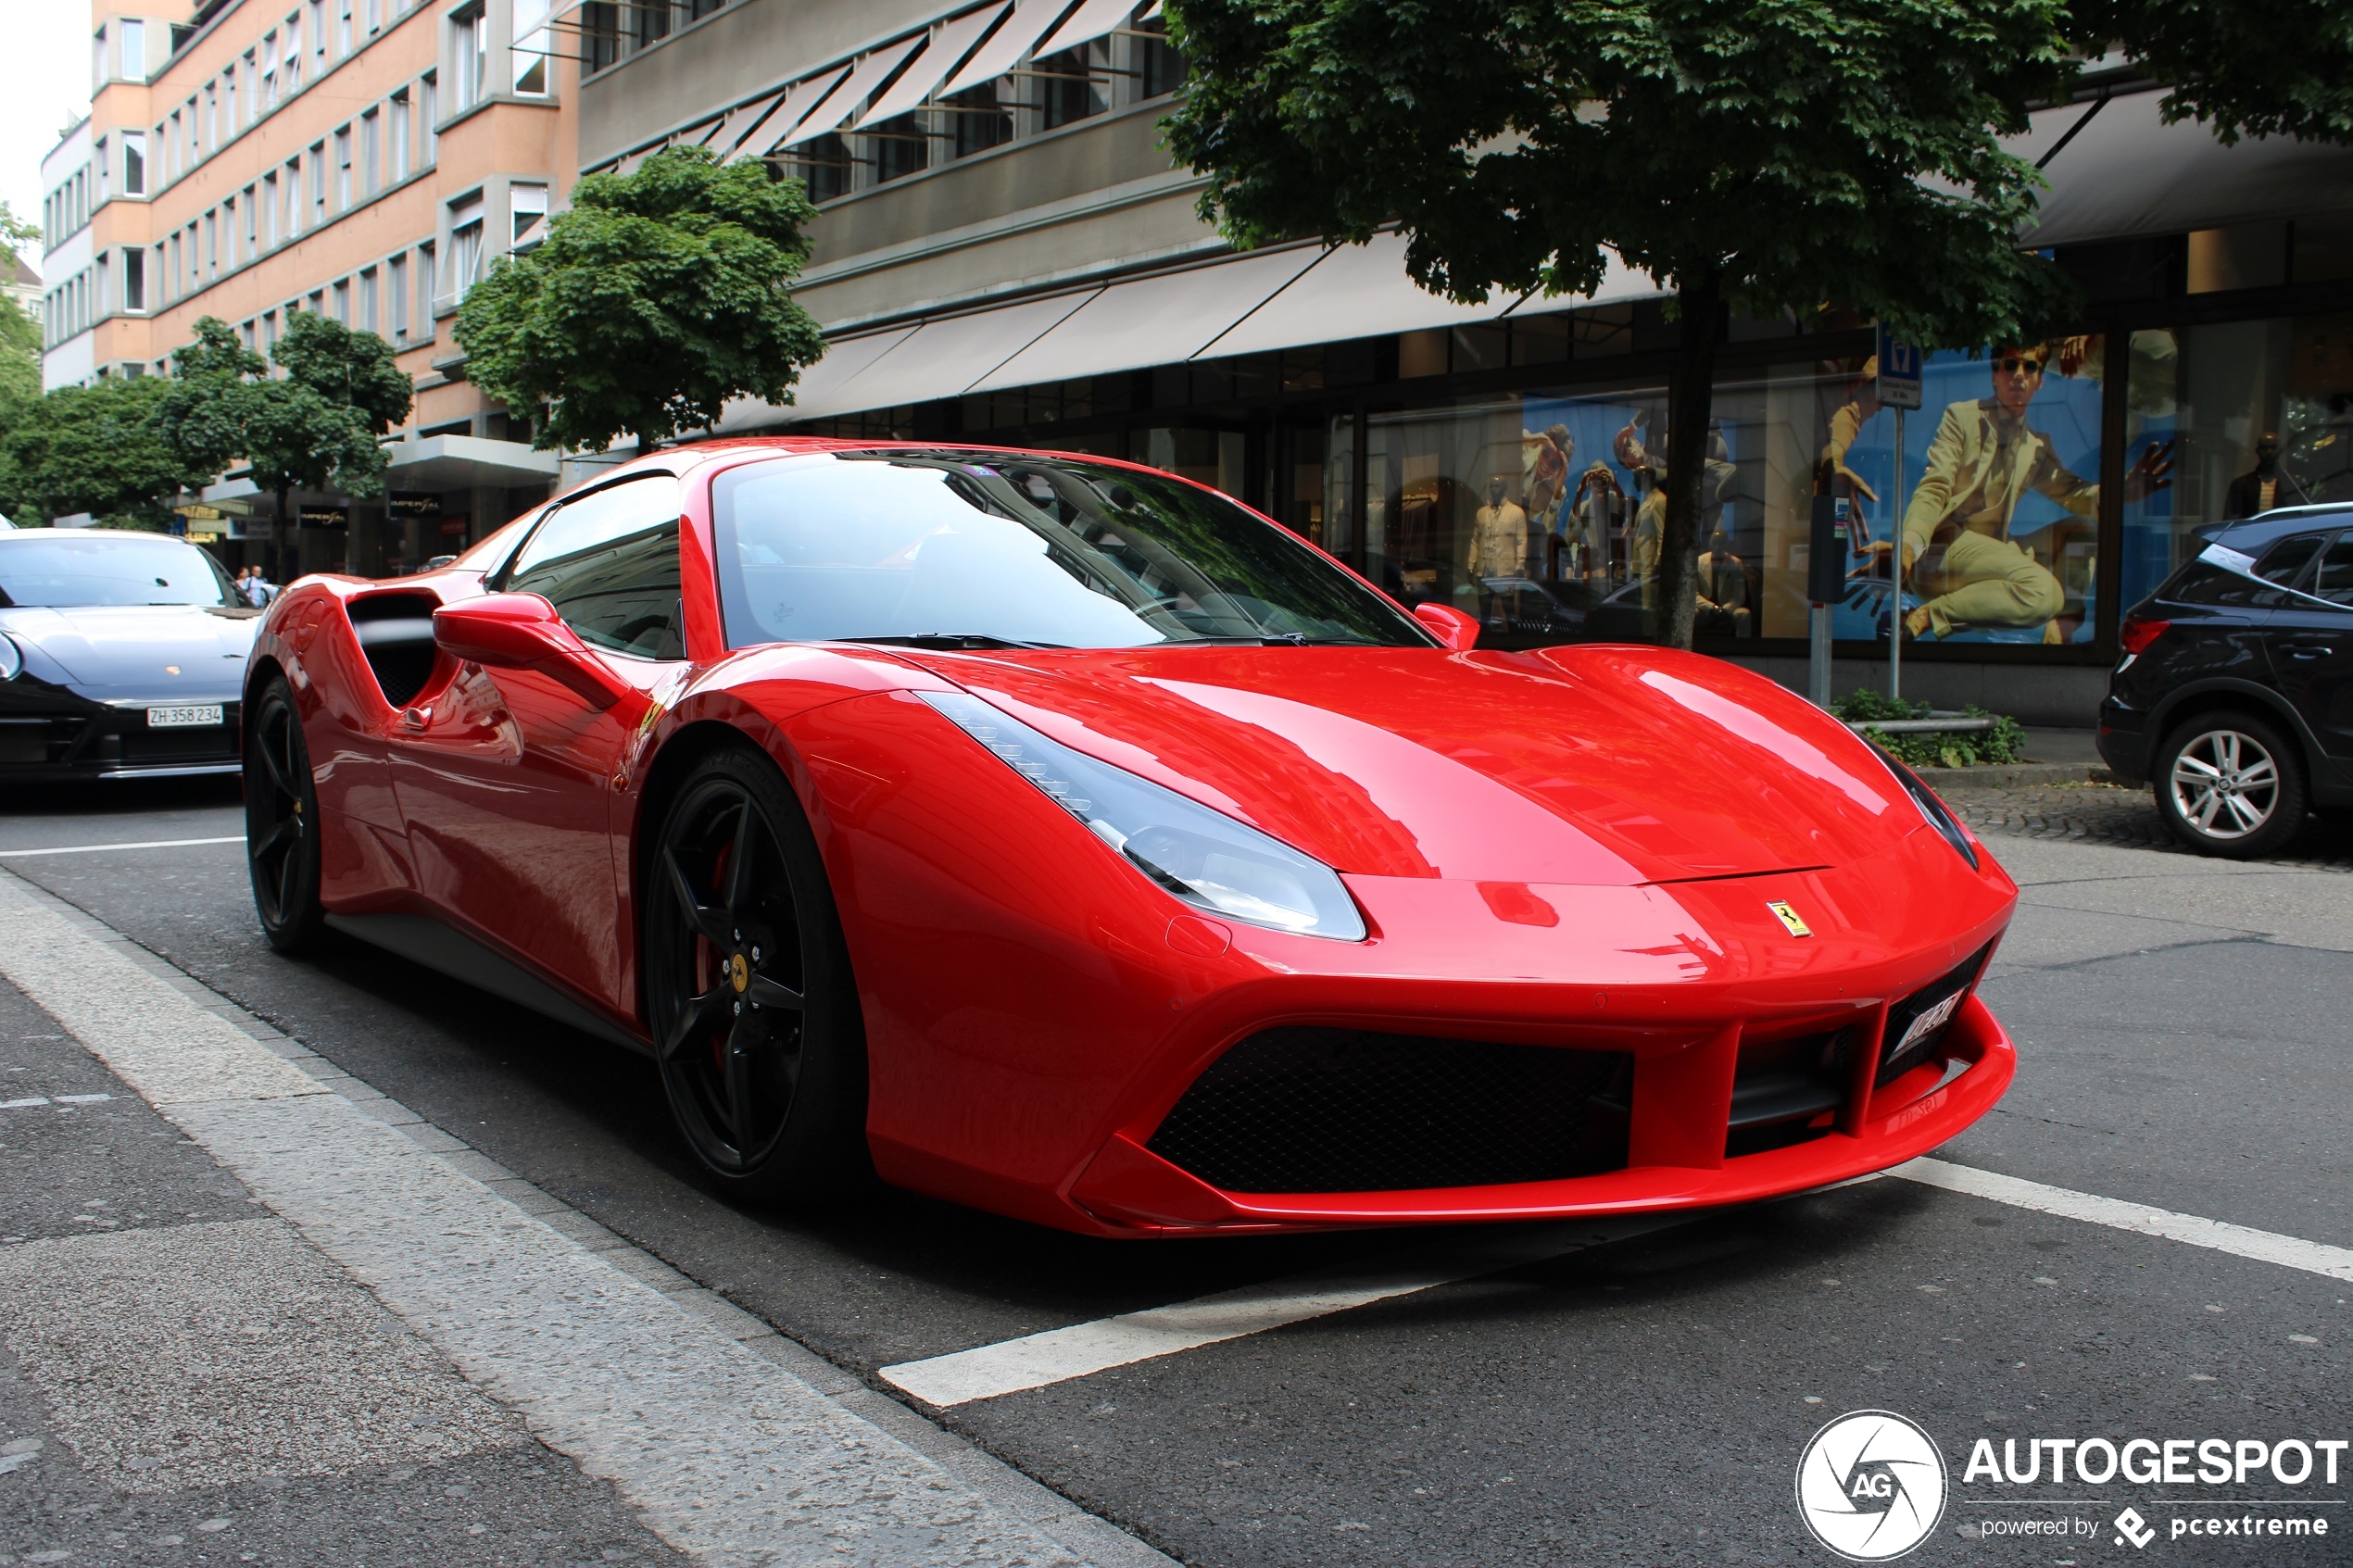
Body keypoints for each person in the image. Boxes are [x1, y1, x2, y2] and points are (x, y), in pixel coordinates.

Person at [1869, 343, 2168, 642]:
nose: (2019, 375)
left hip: (1991, 553)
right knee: (2044, 592)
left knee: (2081, 531)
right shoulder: (1962, 417)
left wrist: (2121, 493)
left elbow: (2074, 494)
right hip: (1943, 554)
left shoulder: (2036, 446)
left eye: (2030, 367)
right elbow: (1934, 487)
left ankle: (2060, 632)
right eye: (2009, 366)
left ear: (2039, 380)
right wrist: (1908, 548)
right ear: (1995, 376)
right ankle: (1924, 616)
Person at [2223, 432, 2308, 519]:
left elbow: (2300, 518)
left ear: (2280, 451)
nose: (2269, 452)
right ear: (2257, 451)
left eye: (2273, 448)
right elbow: (2231, 521)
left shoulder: (2292, 484)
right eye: (2265, 448)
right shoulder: (2240, 485)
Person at [1695, 527, 1752, 637]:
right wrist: (1712, 608)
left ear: (1726, 544)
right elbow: (1694, 594)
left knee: (1744, 615)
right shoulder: (1699, 562)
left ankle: (1742, 649)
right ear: (1710, 543)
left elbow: (1739, 595)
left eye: (1720, 543)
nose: (1717, 547)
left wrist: (1725, 609)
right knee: (1691, 614)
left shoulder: (1735, 563)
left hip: (1728, 610)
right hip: (1705, 610)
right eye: (1714, 543)